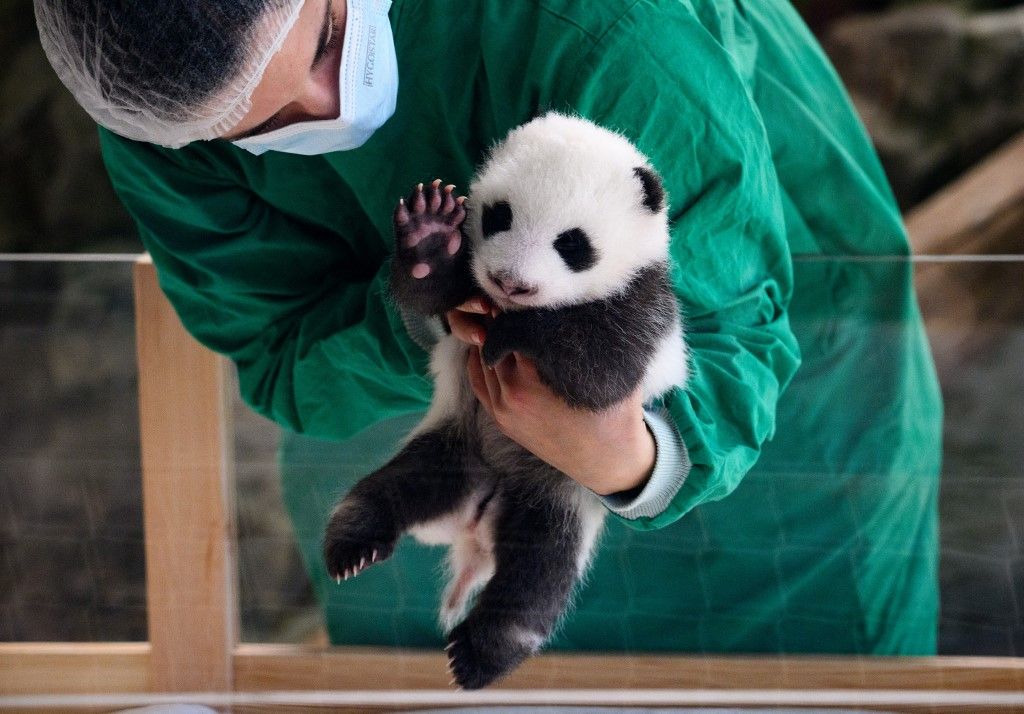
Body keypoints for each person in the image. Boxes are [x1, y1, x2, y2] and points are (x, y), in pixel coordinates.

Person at [35, 0, 943, 654]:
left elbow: (732, 328)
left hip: (775, 452)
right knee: (451, 635)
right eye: (262, 128)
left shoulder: (605, 26)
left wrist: (635, 455)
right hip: (410, 432)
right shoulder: (160, 114)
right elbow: (280, 355)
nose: (321, 112)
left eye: (324, 45)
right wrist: (416, 318)